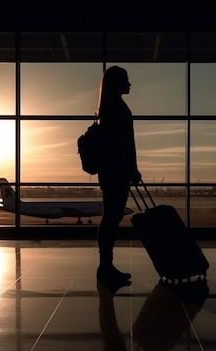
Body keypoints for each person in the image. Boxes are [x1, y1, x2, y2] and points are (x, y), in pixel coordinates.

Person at [95, 66, 142, 284]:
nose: (130, 84)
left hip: (111, 171)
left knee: (110, 218)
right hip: (118, 172)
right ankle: (105, 267)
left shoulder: (108, 108)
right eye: (126, 80)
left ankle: (106, 266)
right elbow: (123, 144)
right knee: (111, 219)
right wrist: (131, 168)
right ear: (117, 83)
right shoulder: (117, 108)